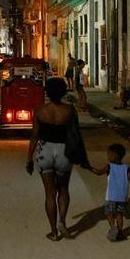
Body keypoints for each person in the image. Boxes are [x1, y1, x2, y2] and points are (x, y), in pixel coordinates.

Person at [26, 78, 87, 242]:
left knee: (49, 193)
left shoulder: (40, 111)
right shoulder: (69, 110)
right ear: (63, 92)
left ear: (47, 92)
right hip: (63, 152)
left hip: (44, 151)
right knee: (64, 189)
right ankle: (62, 221)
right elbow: (75, 133)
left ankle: (53, 232)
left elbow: (34, 136)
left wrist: (29, 159)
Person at [90, 143, 130, 242]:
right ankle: (120, 231)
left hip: (111, 196)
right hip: (122, 197)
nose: (107, 156)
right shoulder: (126, 167)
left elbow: (98, 172)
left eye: (109, 154)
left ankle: (113, 227)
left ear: (114, 156)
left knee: (109, 213)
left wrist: (88, 167)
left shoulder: (109, 166)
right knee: (119, 214)